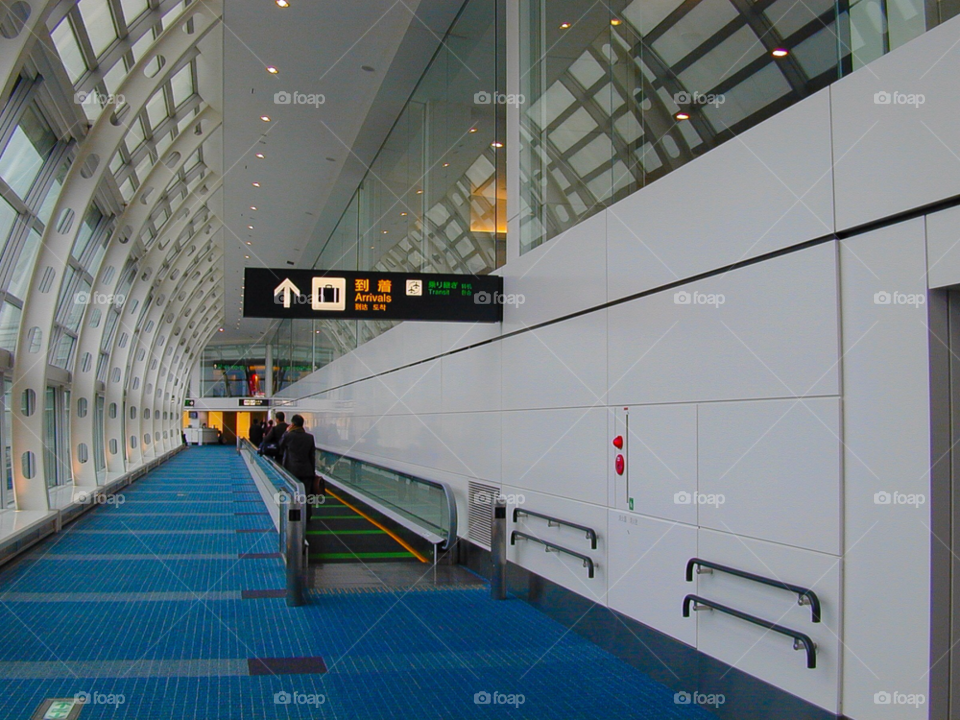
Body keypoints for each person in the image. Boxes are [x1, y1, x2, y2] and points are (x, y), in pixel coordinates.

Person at [278, 414, 319, 519]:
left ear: (292, 424)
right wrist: (313, 471)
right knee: (307, 495)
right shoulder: (310, 437)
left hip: (292, 470)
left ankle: (295, 517)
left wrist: (287, 431)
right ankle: (307, 515)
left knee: (293, 494)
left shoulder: (288, 436)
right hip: (307, 470)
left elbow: (280, 445)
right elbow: (312, 456)